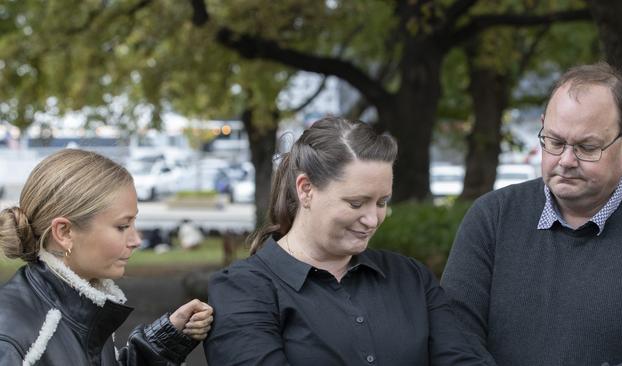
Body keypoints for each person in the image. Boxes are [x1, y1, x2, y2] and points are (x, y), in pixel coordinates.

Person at [204, 117, 493, 365]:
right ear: (306, 190)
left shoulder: (410, 278)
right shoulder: (243, 290)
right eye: (357, 203)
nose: (372, 219)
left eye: (382, 202)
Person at [441, 62, 622, 365]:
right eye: (555, 142)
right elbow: (453, 338)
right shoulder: (493, 218)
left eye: (586, 147)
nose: (565, 160)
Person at [0, 149, 213, 365]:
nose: (136, 240)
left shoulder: (82, 305)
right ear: (64, 232)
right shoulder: (11, 338)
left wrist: (166, 340)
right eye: (122, 226)